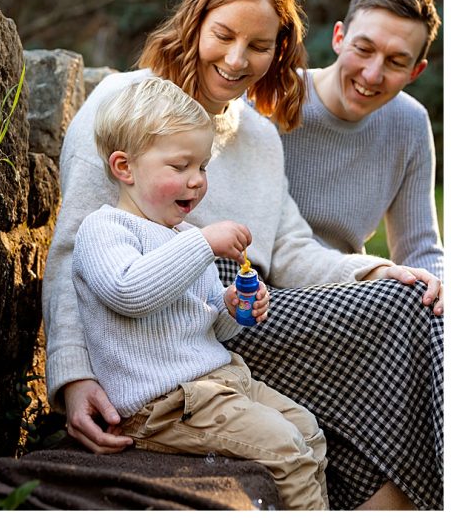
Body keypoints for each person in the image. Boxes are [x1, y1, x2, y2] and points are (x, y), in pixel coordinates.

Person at [42, 0, 443, 510]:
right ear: (195, 22)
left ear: (280, 49)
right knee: (401, 316)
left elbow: (290, 248)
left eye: (259, 46)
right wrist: (72, 376)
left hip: (237, 315)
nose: (236, 60)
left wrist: (372, 267)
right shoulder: (124, 105)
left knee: (404, 301)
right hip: (154, 340)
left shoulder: (258, 131)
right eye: (223, 35)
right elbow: (69, 250)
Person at [75, 77, 327, 510]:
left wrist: (233, 306)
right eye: (180, 167)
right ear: (125, 167)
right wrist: (203, 243)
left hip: (222, 382)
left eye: (203, 167)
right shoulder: (104, 229)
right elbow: (129, 291)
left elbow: (209, 321)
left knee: (308, 432)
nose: (196, 181)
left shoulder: (183, 236)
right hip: (166, 404)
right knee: (286, 448)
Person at [281, 0, 443, 276]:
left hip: (349, 288)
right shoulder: (271, 97)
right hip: (262, 291)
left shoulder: (409, 123)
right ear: (339, 38)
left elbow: (420, 248)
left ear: (415, 72)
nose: (372, 74)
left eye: (396, 62)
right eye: (364, 49)